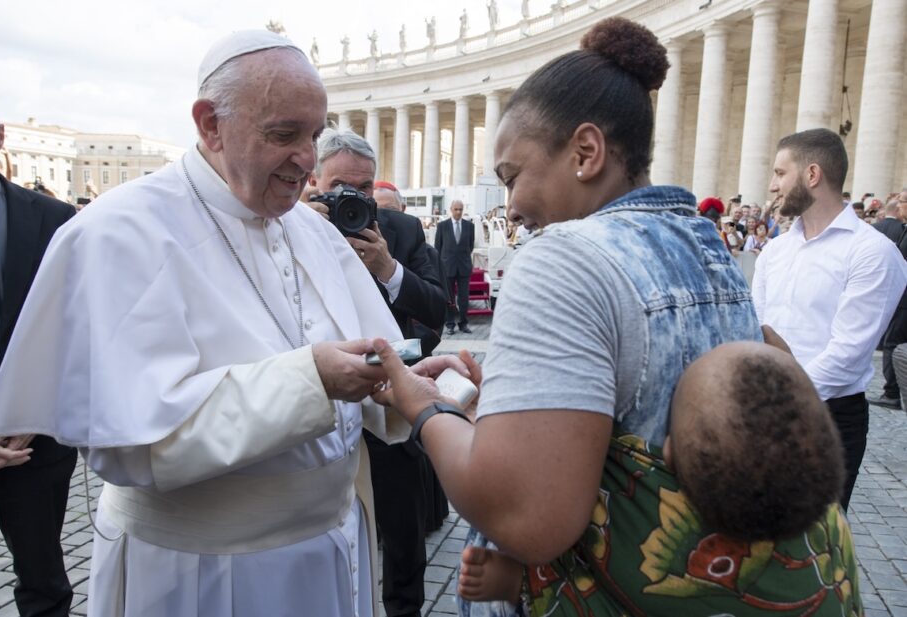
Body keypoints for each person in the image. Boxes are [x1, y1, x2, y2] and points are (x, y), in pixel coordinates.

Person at [372, 17, 862, 617]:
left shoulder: (560, 258)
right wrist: (501, 398)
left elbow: (529, 517)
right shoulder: (709, 246)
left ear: (585, 152)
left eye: (513, 176)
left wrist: (421, 407)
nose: (512, 206)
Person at [0, 31, 465, 617]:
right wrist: (312, 380)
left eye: (313, 135)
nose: (308, 160)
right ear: (210, 124)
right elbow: (135, 443)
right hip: (199, 571)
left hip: (333, 547)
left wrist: (400, 381)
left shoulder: (313, 230)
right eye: (284, 135)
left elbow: (367, 358)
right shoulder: (117, 233)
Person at [455, 341, 845, 605]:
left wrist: (518, 581)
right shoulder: (827, 520)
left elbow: (589, 594)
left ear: (668, 454)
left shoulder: (663, 559)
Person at [307, 129, 448, 617]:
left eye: (364, 187)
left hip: (390, 404)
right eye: (340, 184)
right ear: (315, 181)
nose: (354, 197)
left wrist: (389, 270)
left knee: (404, 535)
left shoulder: (401, 231)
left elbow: (437, 315)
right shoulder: (290, 227)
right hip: (317, 412)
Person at [0, 82, 77, 617]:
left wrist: (37, 406)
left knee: (46, 584)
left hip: (37, 441)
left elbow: (81, 329)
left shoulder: (55, 222)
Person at [753, 128, 907, 510]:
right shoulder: (776, 251)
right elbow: (755, 325)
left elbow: (849, 352)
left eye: (779, 173)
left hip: (829, 418)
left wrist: (785, 401)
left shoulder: (872, 252)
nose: (772, 186)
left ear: (812, 175)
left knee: (813, 549)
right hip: (766, 407)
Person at [869, 187, 907, 410]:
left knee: (892, 344)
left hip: (903, 301)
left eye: (901, 201)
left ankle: (892, 392)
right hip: (901, 299)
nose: (899, 205)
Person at [435, 200, 475, 335]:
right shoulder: (442, 226)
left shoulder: (470, 226)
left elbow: (470, 246)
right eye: (456, 209)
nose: (458, 212)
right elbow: (437, 247)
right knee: (449, 298)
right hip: (447, 267)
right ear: (451, 209)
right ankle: (450, 324)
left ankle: (463, 323)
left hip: (464, 267)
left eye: (461, 209)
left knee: (464, 298)